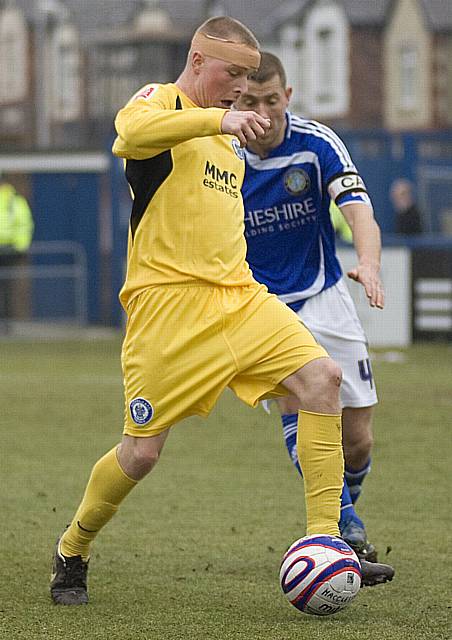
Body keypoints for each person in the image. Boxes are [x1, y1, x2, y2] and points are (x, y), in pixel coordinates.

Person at [50, 18, 393, 607]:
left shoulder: (232, 141)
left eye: (248, 76)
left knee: (322, 379)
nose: (240, 86)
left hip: (239, 297)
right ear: (198, 59)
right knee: (142, 451)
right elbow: (130, 134)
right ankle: (73, 548)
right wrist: (219, 118)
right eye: (232, 73)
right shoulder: (161, 102)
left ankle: (326, 541)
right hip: (168, 311)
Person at [236, 52, 388, 563]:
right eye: (249, 101)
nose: (262, 112)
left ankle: (343, 508)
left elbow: (358, 209)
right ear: (236, 100)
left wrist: (368, 263)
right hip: (261, 306)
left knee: (358, 440)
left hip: (325, 295)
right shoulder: (223, 156)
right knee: (297, 399)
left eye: (271, 101)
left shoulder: (316, 143)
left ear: (288, 97)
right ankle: (342, 523)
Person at [0, 175, 34, 328]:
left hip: (9, 252)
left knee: (6, 289)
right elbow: (25, 224)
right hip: (11, 251)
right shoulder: (15, 201)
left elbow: (24, 224)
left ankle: (5, 323)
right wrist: (21, 247)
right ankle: (6, 323)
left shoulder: (14, 201)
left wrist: (19, 247)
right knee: (7, 289)